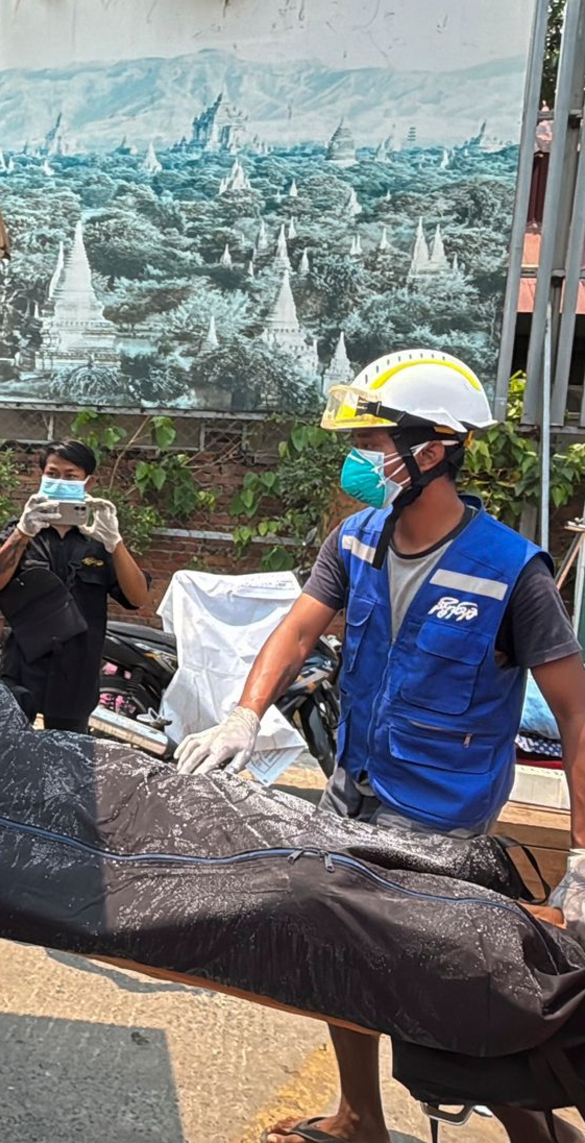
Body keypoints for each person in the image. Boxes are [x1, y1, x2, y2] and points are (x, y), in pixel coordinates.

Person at [173, 350, 585, 1143]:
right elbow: (295, 632)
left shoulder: (511, 573)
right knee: (338, 952)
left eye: (374, 440)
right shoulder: (356, 540)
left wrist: (582, 851)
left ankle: (540, 1133)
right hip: (352, 789)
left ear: (431, 450)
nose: (361, 459)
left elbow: (574, 715)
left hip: (440, 820)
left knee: (436, 994)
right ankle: (361, 1115)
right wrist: (243, 716)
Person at [0, 439, 150, 734]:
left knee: (68, 764)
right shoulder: (19, 532)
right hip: (22, 668)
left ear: (88, 481)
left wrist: (115, 543)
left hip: (77, 673)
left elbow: (137, 598)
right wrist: (22, 533)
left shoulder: (98, 540)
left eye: (70, 475)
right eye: (53, 473)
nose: (60, 481)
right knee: (8, 758)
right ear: (42, 477)